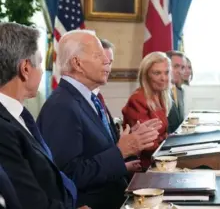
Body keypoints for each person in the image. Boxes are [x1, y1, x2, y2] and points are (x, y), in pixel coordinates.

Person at [37, 30, 160, 209]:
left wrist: (129, 144)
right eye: (98, 55)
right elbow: (67, 176)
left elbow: (96, 151)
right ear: (77, 63)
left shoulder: (88, 98)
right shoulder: (61, 106)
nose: (107, 61)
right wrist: (120, 152)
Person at [0, 22, 88, 209]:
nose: (42, 70)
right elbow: (29, 200)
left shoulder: (17, 114)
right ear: (25, 68)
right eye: (40, 63)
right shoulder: (3, 128)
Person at [122, 52, 170, 169]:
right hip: (145, 165)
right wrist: (170, 146)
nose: (163, 78)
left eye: (166, 72)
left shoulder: (160, 96)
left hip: (160, 158)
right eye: (157, 73)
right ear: (146, 75)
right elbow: (147, 144)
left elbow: (163, 133)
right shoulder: (138, 99)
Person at [166, 50, 186, 133]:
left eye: (182, 68)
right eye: (176, 66)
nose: (180, 71)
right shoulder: (158, 93)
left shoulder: (180, 91)